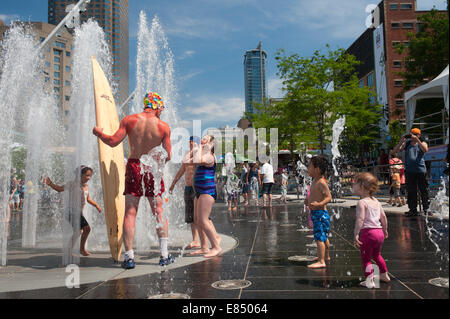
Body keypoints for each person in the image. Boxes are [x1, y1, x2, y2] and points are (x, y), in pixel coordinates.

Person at [93, 91, 173, 269]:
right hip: (152, 167)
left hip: (134, 166)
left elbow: (113, 141)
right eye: (161, 108)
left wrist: (99, 134)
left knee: (130, 212)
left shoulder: (129, 120)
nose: (162, 112)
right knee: (159, 211)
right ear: (157, 106)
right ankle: (164, 255)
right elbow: (168, 156)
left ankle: (129, 258)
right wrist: (156, 161)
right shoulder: (163, 126)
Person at [44, 166, 102, 257]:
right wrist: (50, 183)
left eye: (90, 176)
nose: (89, 178)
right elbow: (59, 189)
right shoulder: (72, 184)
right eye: (87, 175)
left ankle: (71, 250)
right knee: (86, 229)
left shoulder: (86, 186)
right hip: (71, 211)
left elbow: (88, 199)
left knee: (78, 231)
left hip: (78, 212)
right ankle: (81, 249)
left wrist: (96, 205)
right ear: (80, 175)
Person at [185, 135, 222, 258]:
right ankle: (204, 247)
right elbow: (185, 161)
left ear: (211, 144)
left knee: (203, 220)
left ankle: (216, 247)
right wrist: (194, 149)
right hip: (199, 191)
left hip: (207, 191)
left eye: (205, 139)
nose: (202, 139)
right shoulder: (200, 154)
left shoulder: (209, 156)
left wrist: (200, 148)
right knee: (197, 219)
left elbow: (197, 161)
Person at [352, 172, 390, 288]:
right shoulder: (376, 201)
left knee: (366, 258)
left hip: (368, 233)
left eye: (355, 184)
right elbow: (383, 217)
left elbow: (360, 219)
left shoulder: (361, 202)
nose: (353, 186)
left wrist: (356, 233)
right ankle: (384, 275)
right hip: (379, 233)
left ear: (362, 187)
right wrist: (385, 230)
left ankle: (369, 281)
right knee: (377, 255)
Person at [169, 136, 201, 250]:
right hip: (188, 188)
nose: (190, 144)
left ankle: (206, 237)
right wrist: (173, 183)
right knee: (190, 215)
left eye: (192, 142)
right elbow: (181, 170)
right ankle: (195, 240)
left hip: (197, 187)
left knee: (199, 215)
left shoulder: (199, 155)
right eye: (189, 143)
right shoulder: (187, 156)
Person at [393, 128, 430, 217]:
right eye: (412, 134)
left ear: (419, 135)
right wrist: (401, 141)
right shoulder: (407, 144)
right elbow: (395, 151)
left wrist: (417, 140)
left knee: (424, 190)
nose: (413, 136)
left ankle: (427, 209)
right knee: (411, 191)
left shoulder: (422, 143)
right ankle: (412, 210)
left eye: (415, 134)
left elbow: (425, 150)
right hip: (410, 171)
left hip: (421, 171)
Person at [304, 156, 332, 269]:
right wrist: (308, 200)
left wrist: (320, 204)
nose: (307, 168)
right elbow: (313, 194)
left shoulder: (321, 182)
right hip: (317, 214)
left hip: (320, 213)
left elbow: (329, 197)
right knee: (324, 236)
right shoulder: (315, 181)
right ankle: (326, 256)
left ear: (317, 169)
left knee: (319, 237)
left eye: (309, 166)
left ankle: (321, 261)